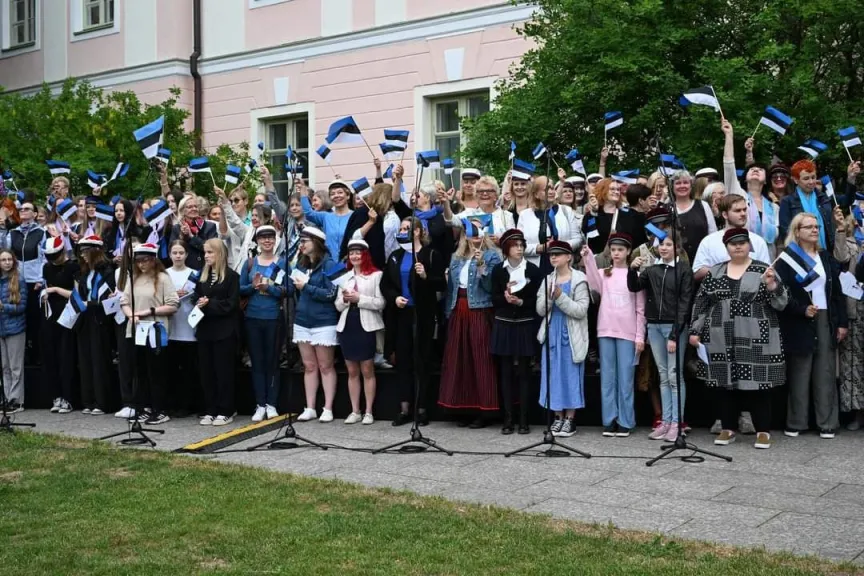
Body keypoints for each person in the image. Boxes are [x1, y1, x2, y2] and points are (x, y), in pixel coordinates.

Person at [689, 227, 788, 449]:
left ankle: (763, 431)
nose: (738, 246)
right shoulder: (714, 272)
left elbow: (782, 303)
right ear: (726, 247)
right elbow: (701, 303)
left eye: (742, 242)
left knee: (759, 384)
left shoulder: (764, 270)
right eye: (733, 243)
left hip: (757, 337)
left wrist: (772, 285)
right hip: (720, 335)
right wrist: (695, 331)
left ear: (749, 245)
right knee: (724, 385)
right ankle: (727, 428)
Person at [775, 213, 847, 439]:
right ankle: (796, 422)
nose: (815, 230)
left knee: (825, 371)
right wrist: (801, 310)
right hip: (800, 319)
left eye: (816, 227)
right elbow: (782, 293)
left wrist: (842, 322)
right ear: (797, 231)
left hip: (825, 317)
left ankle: (827, 423)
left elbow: (837, 292)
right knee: (800, 371)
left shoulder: (825, 257)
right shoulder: (787, 258)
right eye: (809, 227)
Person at [628, 234, 693, 441]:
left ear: (677, 247)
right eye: (660, 245)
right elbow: (634, 286)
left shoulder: (683, 269)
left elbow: (684, 304)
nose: (663, 248)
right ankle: (666, 421)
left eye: (668, 244)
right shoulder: (652, 270)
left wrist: (675, 333)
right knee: (663, 376)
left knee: (675, 376)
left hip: (673, 327)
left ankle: (677, 422)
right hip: (654, 325)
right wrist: (632, 269)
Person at [381, 218, 446, 426]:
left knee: (422, 361)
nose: (402, 231)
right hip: (402, 314)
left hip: (423, 314)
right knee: (404, 361)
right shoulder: (395, 256)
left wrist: (425, 276)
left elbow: (441, 283)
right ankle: (404, 407)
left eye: (407, 228)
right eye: (401, 228)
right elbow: (386, 284)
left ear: (417, 231)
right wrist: (394, 298)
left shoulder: (430, 254)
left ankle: (422, 407)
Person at [438, 225, 502, 427]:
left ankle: (485, 410)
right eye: (469, 234)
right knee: (460, 360)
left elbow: (491, 287)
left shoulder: (492, 255)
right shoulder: (456, 258)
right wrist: (449, 312)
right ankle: (463, 407)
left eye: (477, 234)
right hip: (459, 309)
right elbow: (451, 289)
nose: (474, 238)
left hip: (480, 310)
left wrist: (482, 264)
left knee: (481, 359)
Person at [582, 233, 645, 437]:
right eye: (613, 250)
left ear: (628, 252)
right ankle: (609, 420)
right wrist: (588, 258)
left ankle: (626, 421)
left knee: (626, 378)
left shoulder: (634, 275)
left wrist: (639, 336)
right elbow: (592, 283)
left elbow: (640, 308)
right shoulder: (604, 273)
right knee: (607, 378)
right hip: (605, 330)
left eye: (620, 250)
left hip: (627, 332)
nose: (616, 253)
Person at [120, 243, 179, 425]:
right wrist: (131, 315)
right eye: (137, 261)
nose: (141, 265)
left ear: (153, 260)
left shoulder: (162, 279)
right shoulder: (133, 278)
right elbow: (124, 301)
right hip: (136, 330)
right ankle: (143, 405)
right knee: (140, 370)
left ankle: (159, 408)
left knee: (156, 371)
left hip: (154, 329)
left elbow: (173, 304)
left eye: (145, 261)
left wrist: (148, 312)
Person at [536, 240, 590, 437]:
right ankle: (557, 416)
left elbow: (581, 310)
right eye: (551, 254)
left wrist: (560, 296)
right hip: (552, 332)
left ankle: (570, 418)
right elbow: (540, 310)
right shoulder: (547, 280)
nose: (553, 257)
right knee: (553, 375)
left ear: (569, 257)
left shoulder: (579, 279)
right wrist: (551, 296)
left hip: (570, 332)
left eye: (558, 254)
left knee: (570, 374)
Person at [490, 229, 542, 434]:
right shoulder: (498, 270)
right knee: (505, 371)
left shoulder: (533, 270)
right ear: (506, 248)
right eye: (515, 245)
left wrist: (520, 301)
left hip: (524, 321)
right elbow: (492, 298)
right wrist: (505, 297)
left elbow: (537, 300)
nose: (520, 249)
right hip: (503, 322)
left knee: (523, 372)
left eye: (522, 245)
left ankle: (524, 419)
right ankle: (507, 418)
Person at [240, 225, 290, 422]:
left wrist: (270, 289)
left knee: (272, 362)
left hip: (274, 318)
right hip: (252, 318)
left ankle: (272, 404)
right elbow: (240, 290)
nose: (267, 241)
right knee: (257, 362)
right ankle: (260, 404)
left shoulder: (283, 262)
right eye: (263, 238)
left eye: (270, 237)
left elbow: (289, 290)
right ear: (257, 241)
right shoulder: (250, 263)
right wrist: (253, 287)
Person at [335, 238, 385, 424]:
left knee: (367, 369)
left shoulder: (376, 275)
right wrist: (346, 300)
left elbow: (381, 303)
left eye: (358, 253)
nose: (355, 256)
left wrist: (359, 298)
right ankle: (355, 410)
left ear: (365, 255)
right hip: (348, 324)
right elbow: (338, 305)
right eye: (352, 253)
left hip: (367, 325)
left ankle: (369, 411)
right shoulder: (345, 276)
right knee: (352, 370)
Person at [292, 226, 340, 423]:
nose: (301, 245)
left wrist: (307, 288)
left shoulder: (331, 264)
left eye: (305, 241)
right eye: (300, 241)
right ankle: (310, 407)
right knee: (309, 366)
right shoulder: (300, 264)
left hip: (324, 321)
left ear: (317, 243)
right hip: (303, 320)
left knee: (325, 365)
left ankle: (327, 408)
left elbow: (331, 294)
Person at [195, 239, 241, 426]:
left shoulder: (232, 277)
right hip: (205, 330)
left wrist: (209, 304)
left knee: (224, 372)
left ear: (220, 254)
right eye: (205, 252)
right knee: (207, 372)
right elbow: (196, 299)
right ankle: (211, 409)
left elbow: (231, 305)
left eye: (210, 252)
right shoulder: (202, 276)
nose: (206, 256)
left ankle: (226, 409)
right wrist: (200, 304)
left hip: (224, 331)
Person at [721, 120, 779, 250]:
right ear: (745, 178)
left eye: (760, 169)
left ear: (766, 180)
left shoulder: (774, 207)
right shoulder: (737, 194)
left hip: (767, 259)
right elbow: (729, 165)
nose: (756, 170)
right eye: (752, 169)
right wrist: (729, 135)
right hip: (739, 255)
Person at [75, 235, 116, 415]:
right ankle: (88, 400)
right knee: (86, 360)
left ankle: (102, 401)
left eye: (86, 251)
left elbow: (109, 299)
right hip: (85, 320)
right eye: (81, 251)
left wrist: (90, 304)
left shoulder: (108, 271)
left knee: (100, 360)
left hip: (100, 320)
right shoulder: (84, 272)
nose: (83, 255)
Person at [2, 199, 45, 365]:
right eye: (21, 209)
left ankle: (35, 354)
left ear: (34, 214)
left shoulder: (41, 232)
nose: (22, 211)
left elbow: (43, 258)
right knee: (18, 314)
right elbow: (8, 256)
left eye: (27, 209)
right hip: (17, 280)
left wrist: (41, 278)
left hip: (35, 281)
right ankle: (22, 353)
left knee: (34, 318)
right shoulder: (13, 233)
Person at [41, 237, 79, 414]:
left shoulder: (72, 266)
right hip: (50, 314)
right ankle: (56, 396)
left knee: (66, 355)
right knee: (51, 355)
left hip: (68, 313)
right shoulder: (47, 268)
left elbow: (77, 294)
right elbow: (46, 285)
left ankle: (68, 396)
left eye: (55, 256)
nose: (53, 259)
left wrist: (56, 290)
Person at [693, 195, 771, 281]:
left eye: (744, 210)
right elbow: (697, 273)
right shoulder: (709, 241)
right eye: (737, 211)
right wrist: (727, 270)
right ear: (725, 214)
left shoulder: (758, 241)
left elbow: (766, 272)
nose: (743, 214)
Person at [518, 176, 582, 272]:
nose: (551, 192)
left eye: (552, 188)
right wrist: (540, 248)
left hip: (563, 267)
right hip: (535, 269)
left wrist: (559, 245)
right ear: (536, 194)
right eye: (546, 189)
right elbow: (519, 245)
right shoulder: (525, 215)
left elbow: (577, 239)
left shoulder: (566, 211)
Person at [166, 241, 199, 417]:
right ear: (170, 255)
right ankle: (173, 403)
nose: (178, 256)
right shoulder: (165, 274)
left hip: (188, 324)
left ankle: (187, 405)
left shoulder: (193, 274)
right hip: (171, 325)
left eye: (181, 252)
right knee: (172, 370)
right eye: (175, 252)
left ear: (186, 255)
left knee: (188, 369)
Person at [779, 159, 842, 253]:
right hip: (801, 253)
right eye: (806, 178)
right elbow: (786, 232)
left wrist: (851, 178)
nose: (811, 182)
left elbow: (847, 200)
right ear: (796, 180)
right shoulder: (787, 201)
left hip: (827, 252)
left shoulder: (823, 198)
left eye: (813, 177)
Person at [669, 170, 717, 263]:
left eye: (686, 182)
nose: (682, 186)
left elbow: (712, 234)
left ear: (691, 185)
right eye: (678, 183)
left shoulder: (703, 205)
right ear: (672, 187)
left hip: (702, 260)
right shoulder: (666, 209)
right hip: (675, 264)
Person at [0, 249, 27, 413]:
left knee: (16, 366)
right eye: (3, 260)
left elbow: (22, 306)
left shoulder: (19, 280)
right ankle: (7, 397)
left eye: (9, 259)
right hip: (1, 328)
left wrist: (4, 307)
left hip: (15, 327)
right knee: (5, 367)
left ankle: (17, 400)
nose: (7, 262)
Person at [300, 180, 353, 259]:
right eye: (332, 194)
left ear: (348, 196)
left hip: (350, 262)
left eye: (340, 192)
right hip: (329, 264)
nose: (336, 196)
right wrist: (303, 188)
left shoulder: (354, 216)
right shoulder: (326, 216)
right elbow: (308, 213)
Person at [169, 196, 217, 270]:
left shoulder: (209, 226)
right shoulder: (177, 228)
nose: (194, 209)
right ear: (182, 211)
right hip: (185, 270)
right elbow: (173, 251)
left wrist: (191, 236)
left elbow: (213, 249)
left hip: (205, 270)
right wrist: (182, 236)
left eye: (196, 206)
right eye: (190, 207)